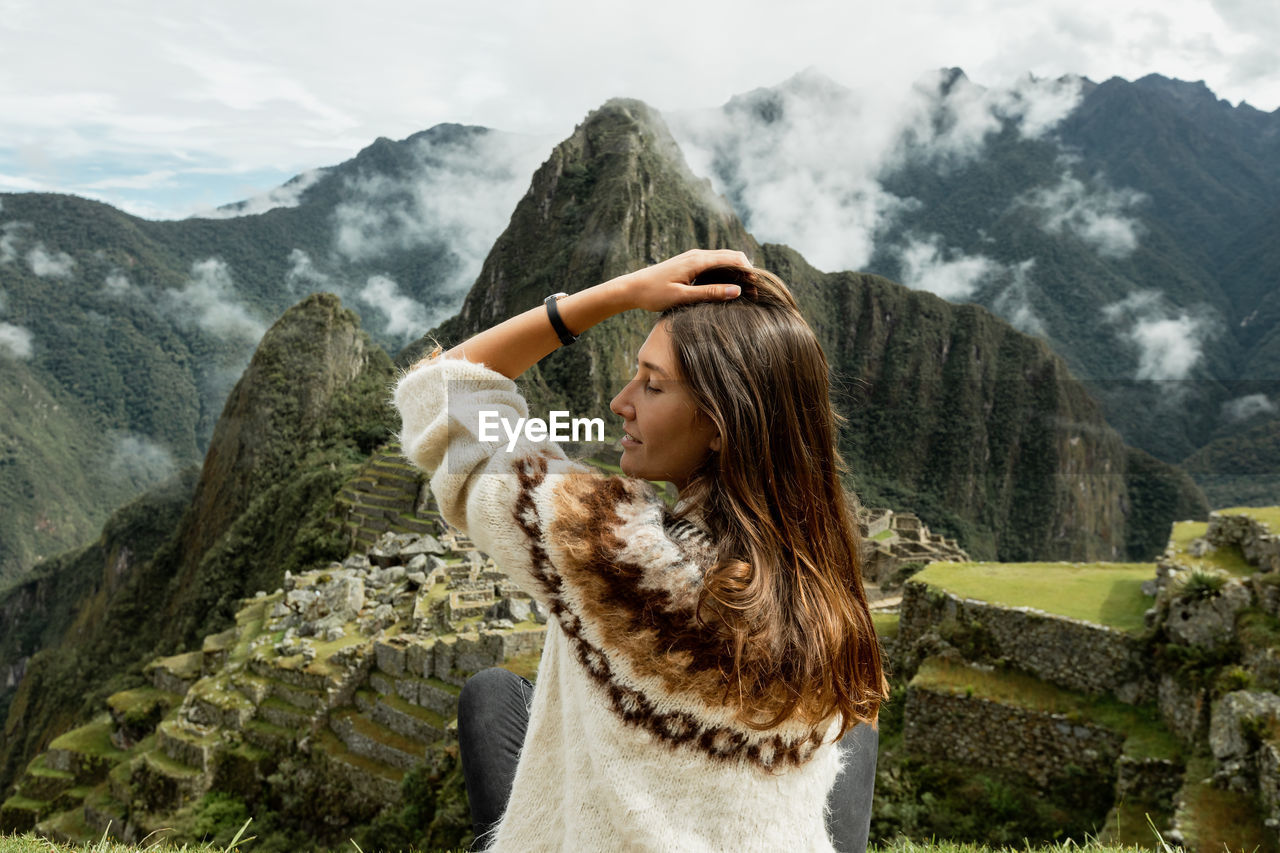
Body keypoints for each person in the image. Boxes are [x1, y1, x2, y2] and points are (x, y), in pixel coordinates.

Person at [392, 249, 891, 853]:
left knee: (491, 697)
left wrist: (617, 294)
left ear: (719, 425)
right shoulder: (823, 581)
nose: (621, 402)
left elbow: (442, 391)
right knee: (855, 728)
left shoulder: (621, 555)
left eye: (652, 385)